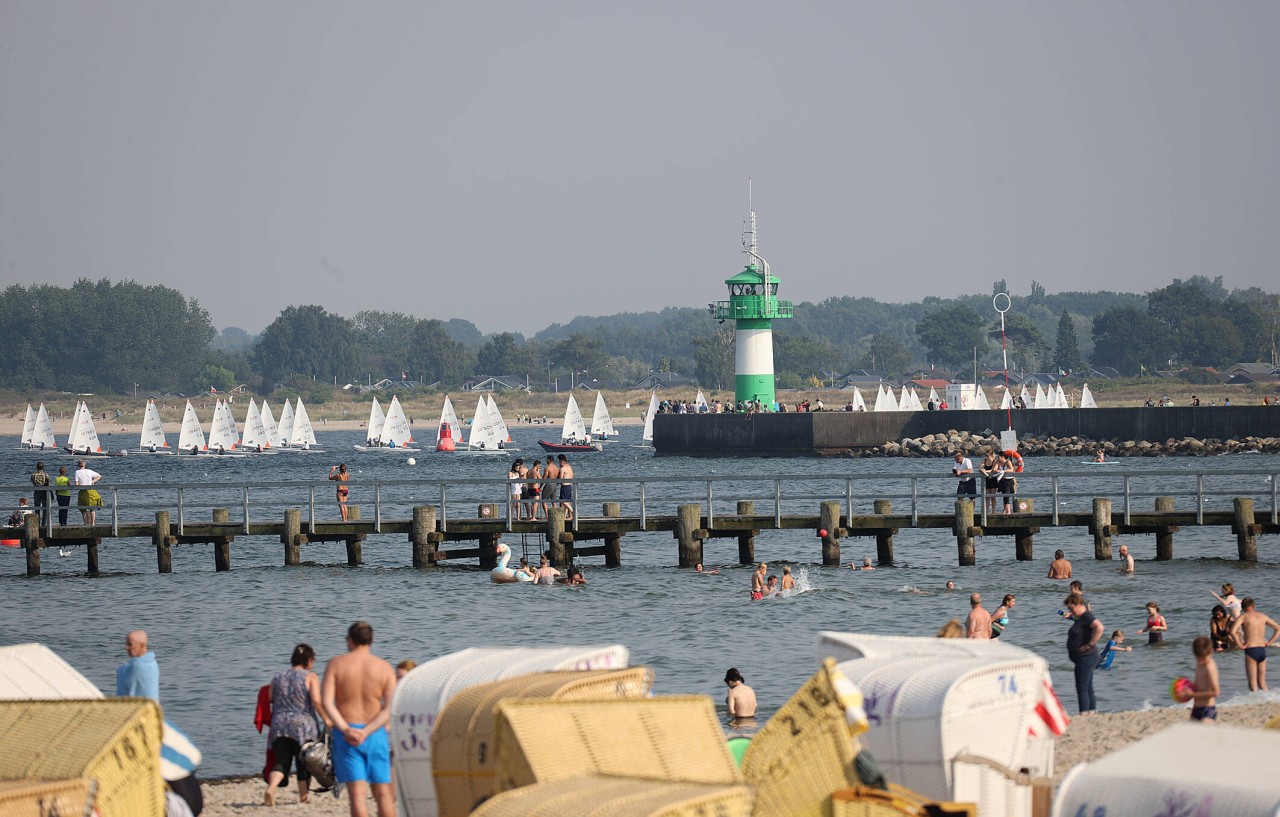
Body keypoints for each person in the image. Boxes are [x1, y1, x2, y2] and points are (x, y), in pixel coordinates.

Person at [322, 621, 397, 817]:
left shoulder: (336, 664)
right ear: (371, 640)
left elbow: (327, 702)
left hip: (347, 733)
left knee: (357, 794)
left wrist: (346, 729)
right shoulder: (384, 667)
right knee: (383, 794)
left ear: (350, 640)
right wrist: (367, 730)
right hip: (374, 733)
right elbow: (389, 708)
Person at [265, 644, 330, 806]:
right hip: (303, 727)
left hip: (279, 725)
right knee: (304, 763)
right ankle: (303, 797)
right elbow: (316, 700)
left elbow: (269, 697)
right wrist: (326, 719)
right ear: (309, 660)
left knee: (280, 762)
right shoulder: (310, 677)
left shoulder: (278, 676)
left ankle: (271, 789)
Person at [1064, 592, 1104, 712]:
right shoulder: (1082, 618)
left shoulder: (1087, 616)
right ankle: (1091, 711)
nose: (1071, 610)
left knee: (1082, 687)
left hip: (1086, 657)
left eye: (1072, 607)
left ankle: (1084, 713)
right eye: (1069, 608)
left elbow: (1100, 627)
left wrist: (1090, 644)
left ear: (1080, 604)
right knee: (1088, 686)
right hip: (1084, 657)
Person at [1230, 598, 1279, 691]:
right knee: (1262, 682)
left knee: (1252, 683)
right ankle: (1268, 699)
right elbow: (1278, 628)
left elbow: (1233, 632)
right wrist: (1269, 642)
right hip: (1262, 649)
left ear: (1243, 607)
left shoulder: (1243, 617)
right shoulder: (1262, 616)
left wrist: (1240, 645)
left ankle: (1256, 701)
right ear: (1253, 606)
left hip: (1251, 650)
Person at [116, 629, 160, 701]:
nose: (126, 648)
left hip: (138, 710)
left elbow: (120, 672)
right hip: (151, 709)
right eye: (126, 644)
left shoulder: (136, 666)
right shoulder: (153, 663)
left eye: (130, 644)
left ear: (142, 645)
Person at [1189, 636, 1220, 723]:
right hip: (1196, 709)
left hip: (1208, 709)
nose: (1201, 662)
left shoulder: (1210, 667)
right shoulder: (1199, 664)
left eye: (1203, 659)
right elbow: (1198, 686)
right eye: (1198, 659)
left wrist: (1192, 695)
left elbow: (1216, 692)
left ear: (1211, 652)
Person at [74, 460, 102, 525]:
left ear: (78, 465)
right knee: (92, 508)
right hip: (91, 491)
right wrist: (92, 482)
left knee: (83, 509)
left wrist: (79, 485)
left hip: (82, 491)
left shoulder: (77, 472)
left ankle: (85, 523)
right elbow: (99, 476)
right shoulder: (89, 471)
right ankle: (92, 523)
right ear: (84, 465)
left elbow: (76, 483)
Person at [30, 461, 50, 528]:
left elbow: (32, 482)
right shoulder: (46, 475)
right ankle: (44, 524)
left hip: (37, 492)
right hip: (44, 492)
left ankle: (37, 524)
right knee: (45, 508)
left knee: (37, 508)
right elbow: (48, 483)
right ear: (43, 467)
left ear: (36, 467)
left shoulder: (33, 475)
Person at [557, 455, 574, 521]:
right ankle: (568, 516)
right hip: (569, 485)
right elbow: (572, 475)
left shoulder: (562, 469)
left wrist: (558, 482)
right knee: (568, 501)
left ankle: (572, 511)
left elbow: (561, 478)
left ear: (561, 462)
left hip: (564, 486)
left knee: (563, 501)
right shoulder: (569, 467)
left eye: (559, 462)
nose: (559, 463)